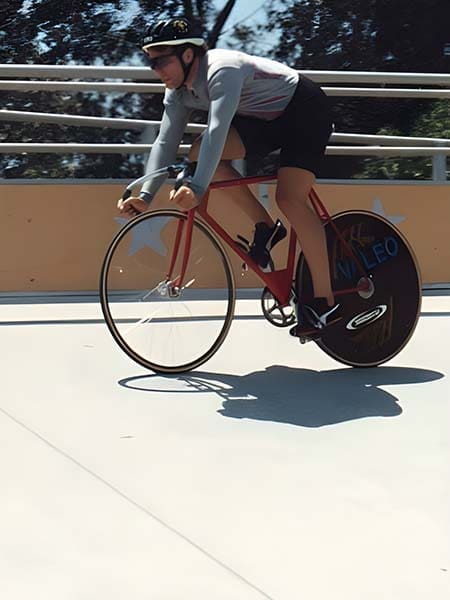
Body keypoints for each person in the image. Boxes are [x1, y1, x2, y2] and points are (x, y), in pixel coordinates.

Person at [117, 17, 340, 337]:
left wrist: (196, 187)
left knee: (290, 199)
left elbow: (217, 132)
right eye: (151, 62)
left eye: (162, 60)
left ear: (188, 55)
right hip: (264, 119)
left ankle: (324, 301)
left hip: (304, 110)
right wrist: (145, 196)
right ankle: (265, 226)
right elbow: (165, 141)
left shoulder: (222, 70)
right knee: (195, 154)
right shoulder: (177, 92)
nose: (156, 69)